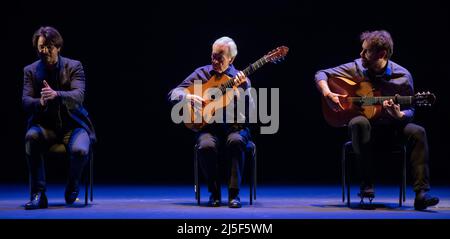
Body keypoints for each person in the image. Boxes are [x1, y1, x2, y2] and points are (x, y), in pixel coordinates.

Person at [314, 30, 439, 210]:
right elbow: (321, 74)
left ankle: (421, 194)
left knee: (418, 132)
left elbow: (411, 109)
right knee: (359, 123)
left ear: (382, 54)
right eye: (361, 50)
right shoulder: (356, 68)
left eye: (366, 51)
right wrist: (327, 93)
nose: (361, 55)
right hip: (364, 132)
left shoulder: (403, 76)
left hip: (392, 129)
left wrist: (400, 115)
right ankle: (367, 186)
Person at [169, 36, 254, 208]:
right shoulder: (201, 73)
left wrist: (244, 90)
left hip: (234, 128)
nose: (214, 61)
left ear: (231, 59)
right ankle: (214, 193)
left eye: (220, 57)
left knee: (236, 141)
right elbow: (173, 93)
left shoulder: (240, 79)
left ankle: (234, 195)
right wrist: (188, 96)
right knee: (206, 145)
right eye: (213, 56)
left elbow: (251, 112)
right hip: (209, 128)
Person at [22, 26, 96, 210]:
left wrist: (57, 95)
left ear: (58, 47)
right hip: (45, 127)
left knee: (80, 150)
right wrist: (40, 102)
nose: (45, 51)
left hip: (74, 126)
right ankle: (38, 194)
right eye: (41, 47)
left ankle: (73, 184)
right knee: (31, 138)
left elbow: (78, 96)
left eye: (49, 46)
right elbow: (25, 101)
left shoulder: (74, 66)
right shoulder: (30, 71)